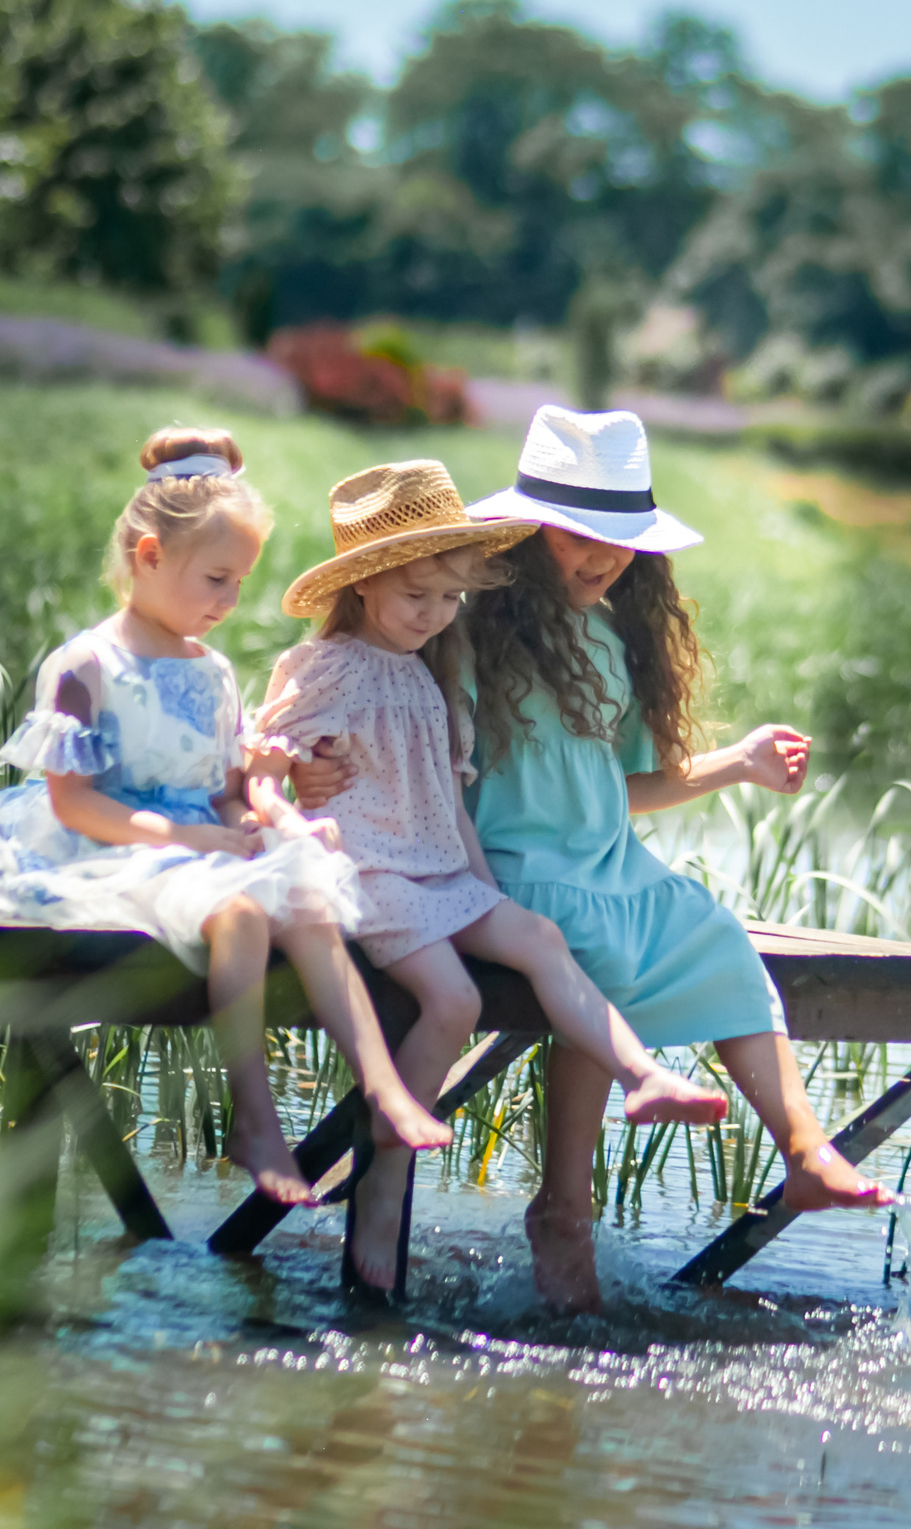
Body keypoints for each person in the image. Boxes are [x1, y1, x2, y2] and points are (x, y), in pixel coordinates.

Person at [0, 426, 451, 1207]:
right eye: (216, 580)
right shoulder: (87, 665)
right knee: (237, 913)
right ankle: (255, 1115)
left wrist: (263, 822)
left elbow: (228, 787)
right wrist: (189, 836)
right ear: (150, 555)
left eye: (239, 583)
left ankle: (383, 1085)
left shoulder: (216, 671)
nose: (229, 602)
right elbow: (74, 800)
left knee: (309, 899)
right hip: (108, 840)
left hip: (197, 839)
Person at [246, 460, 728, 1293]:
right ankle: (386, 1176)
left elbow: (452, 800)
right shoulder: (327, 665)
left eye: (447, 598)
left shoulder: (433, 667)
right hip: (369, 869)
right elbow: (263, 755)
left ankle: (642, 1073)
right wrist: (292, 784)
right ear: (361, 588)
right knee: (455, 997)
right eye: (414, 598)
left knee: (537, 936)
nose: (433, 615)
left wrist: (486, 894)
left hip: (438, 866)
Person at [462, 407, 891, 1311]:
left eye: (622, 540)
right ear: (528, 529)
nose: (604, 556)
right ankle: (564, 1208)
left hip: (611, 866)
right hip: (514, 871)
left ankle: (808, 1151)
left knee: (720, 938)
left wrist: (738, 763)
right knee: (600, 954)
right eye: (583, 534)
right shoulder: (466, 630)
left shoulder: (610, 639)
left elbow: (619, 790)